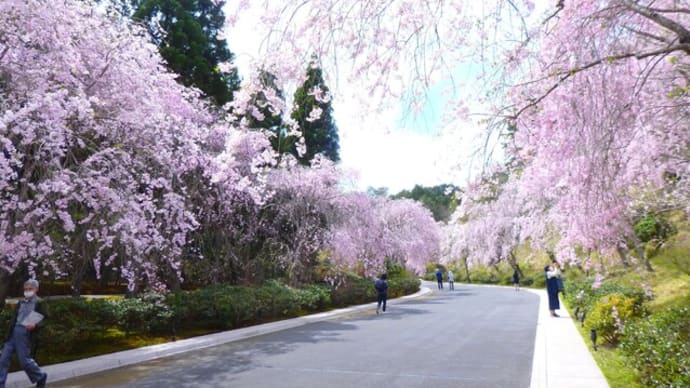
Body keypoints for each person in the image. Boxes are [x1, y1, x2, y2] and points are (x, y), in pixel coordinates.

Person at [0, 279, 48, 388]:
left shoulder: (40, 302)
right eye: (25, 289)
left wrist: (35, 325)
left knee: (24, 362)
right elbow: (15, 318)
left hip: (25, 333)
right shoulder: (21, 302)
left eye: (30, 289)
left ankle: (40, 376)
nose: (27, 291)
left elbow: (46, 318)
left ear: (36, 289)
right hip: (13, 333)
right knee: (3, 359)